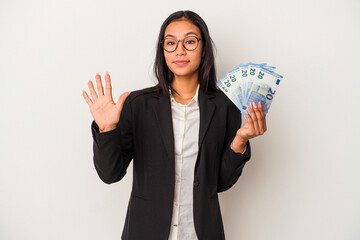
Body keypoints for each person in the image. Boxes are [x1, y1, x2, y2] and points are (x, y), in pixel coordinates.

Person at [82, 10, 266, 240]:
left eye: (190, 41)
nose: (180, 50)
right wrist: (107, 130)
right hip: (145, 232)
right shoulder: (137, 105)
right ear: (163, 50)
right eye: (171, 43)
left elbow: (219, 183)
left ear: (204, 48)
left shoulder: (225, 106)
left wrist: (240, 141)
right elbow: (110, 174)